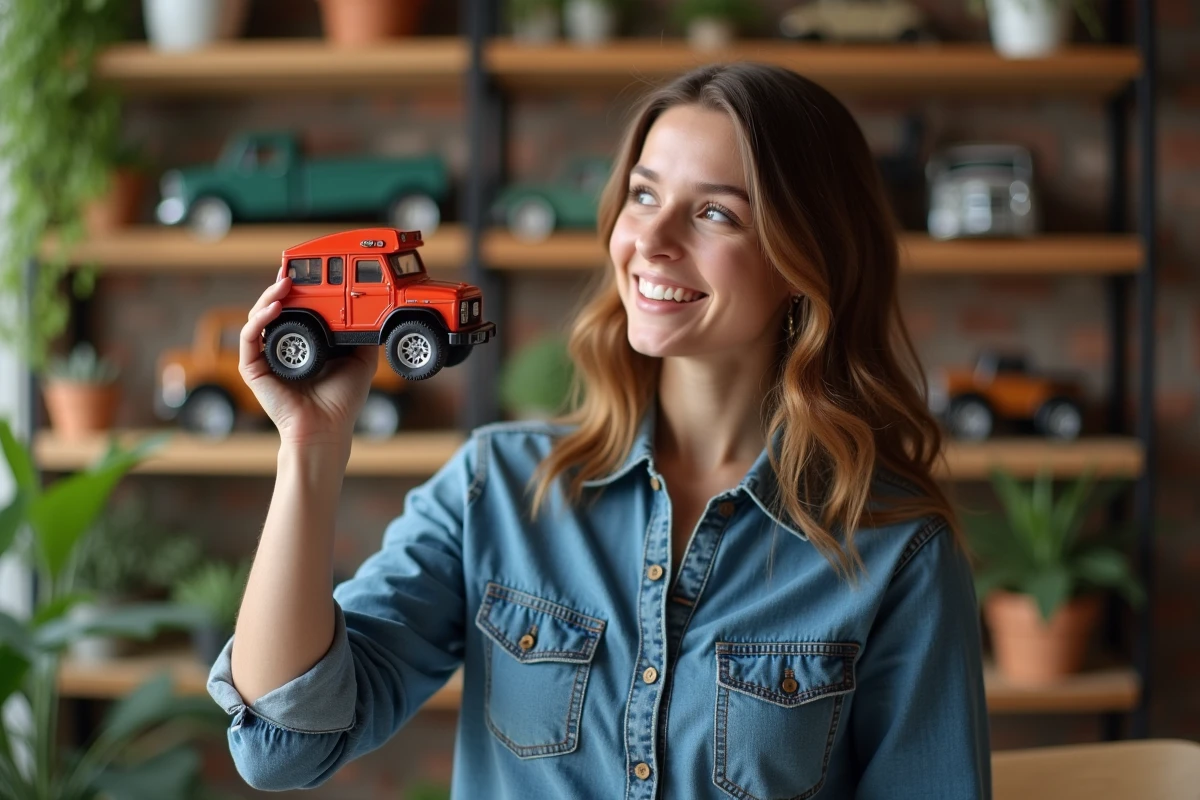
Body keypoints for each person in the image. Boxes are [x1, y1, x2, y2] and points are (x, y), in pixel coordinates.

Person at [208, 62, 992, 798]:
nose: (650, 242)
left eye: (715, 212)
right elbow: (283, 744)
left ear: (805, 259)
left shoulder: (897, 549)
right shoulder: (496, 489)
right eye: (644, 196)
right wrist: (311, 448)